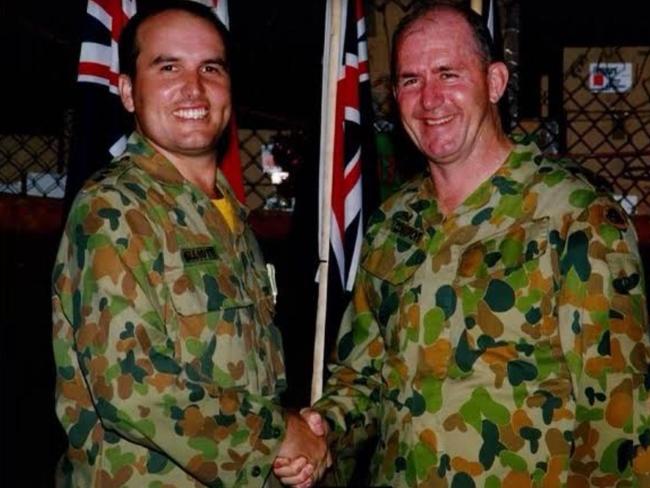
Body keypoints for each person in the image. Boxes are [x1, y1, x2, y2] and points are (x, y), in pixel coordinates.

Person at [275, 1, 650, 486]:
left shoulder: (577, 216)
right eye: (411, 80)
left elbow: (618, 421)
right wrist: (322, 432)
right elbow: (365, 371)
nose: (429, 99)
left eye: (448, 74)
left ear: (494, 82)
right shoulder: (395, 221)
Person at [52, 1, 328, 486]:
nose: (194, 88)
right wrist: (276, 436)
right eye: (168, 67)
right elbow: (131, 386)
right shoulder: (115, 208)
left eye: (211, 68)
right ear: (128, 92)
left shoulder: (227, 216)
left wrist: (292, 442)